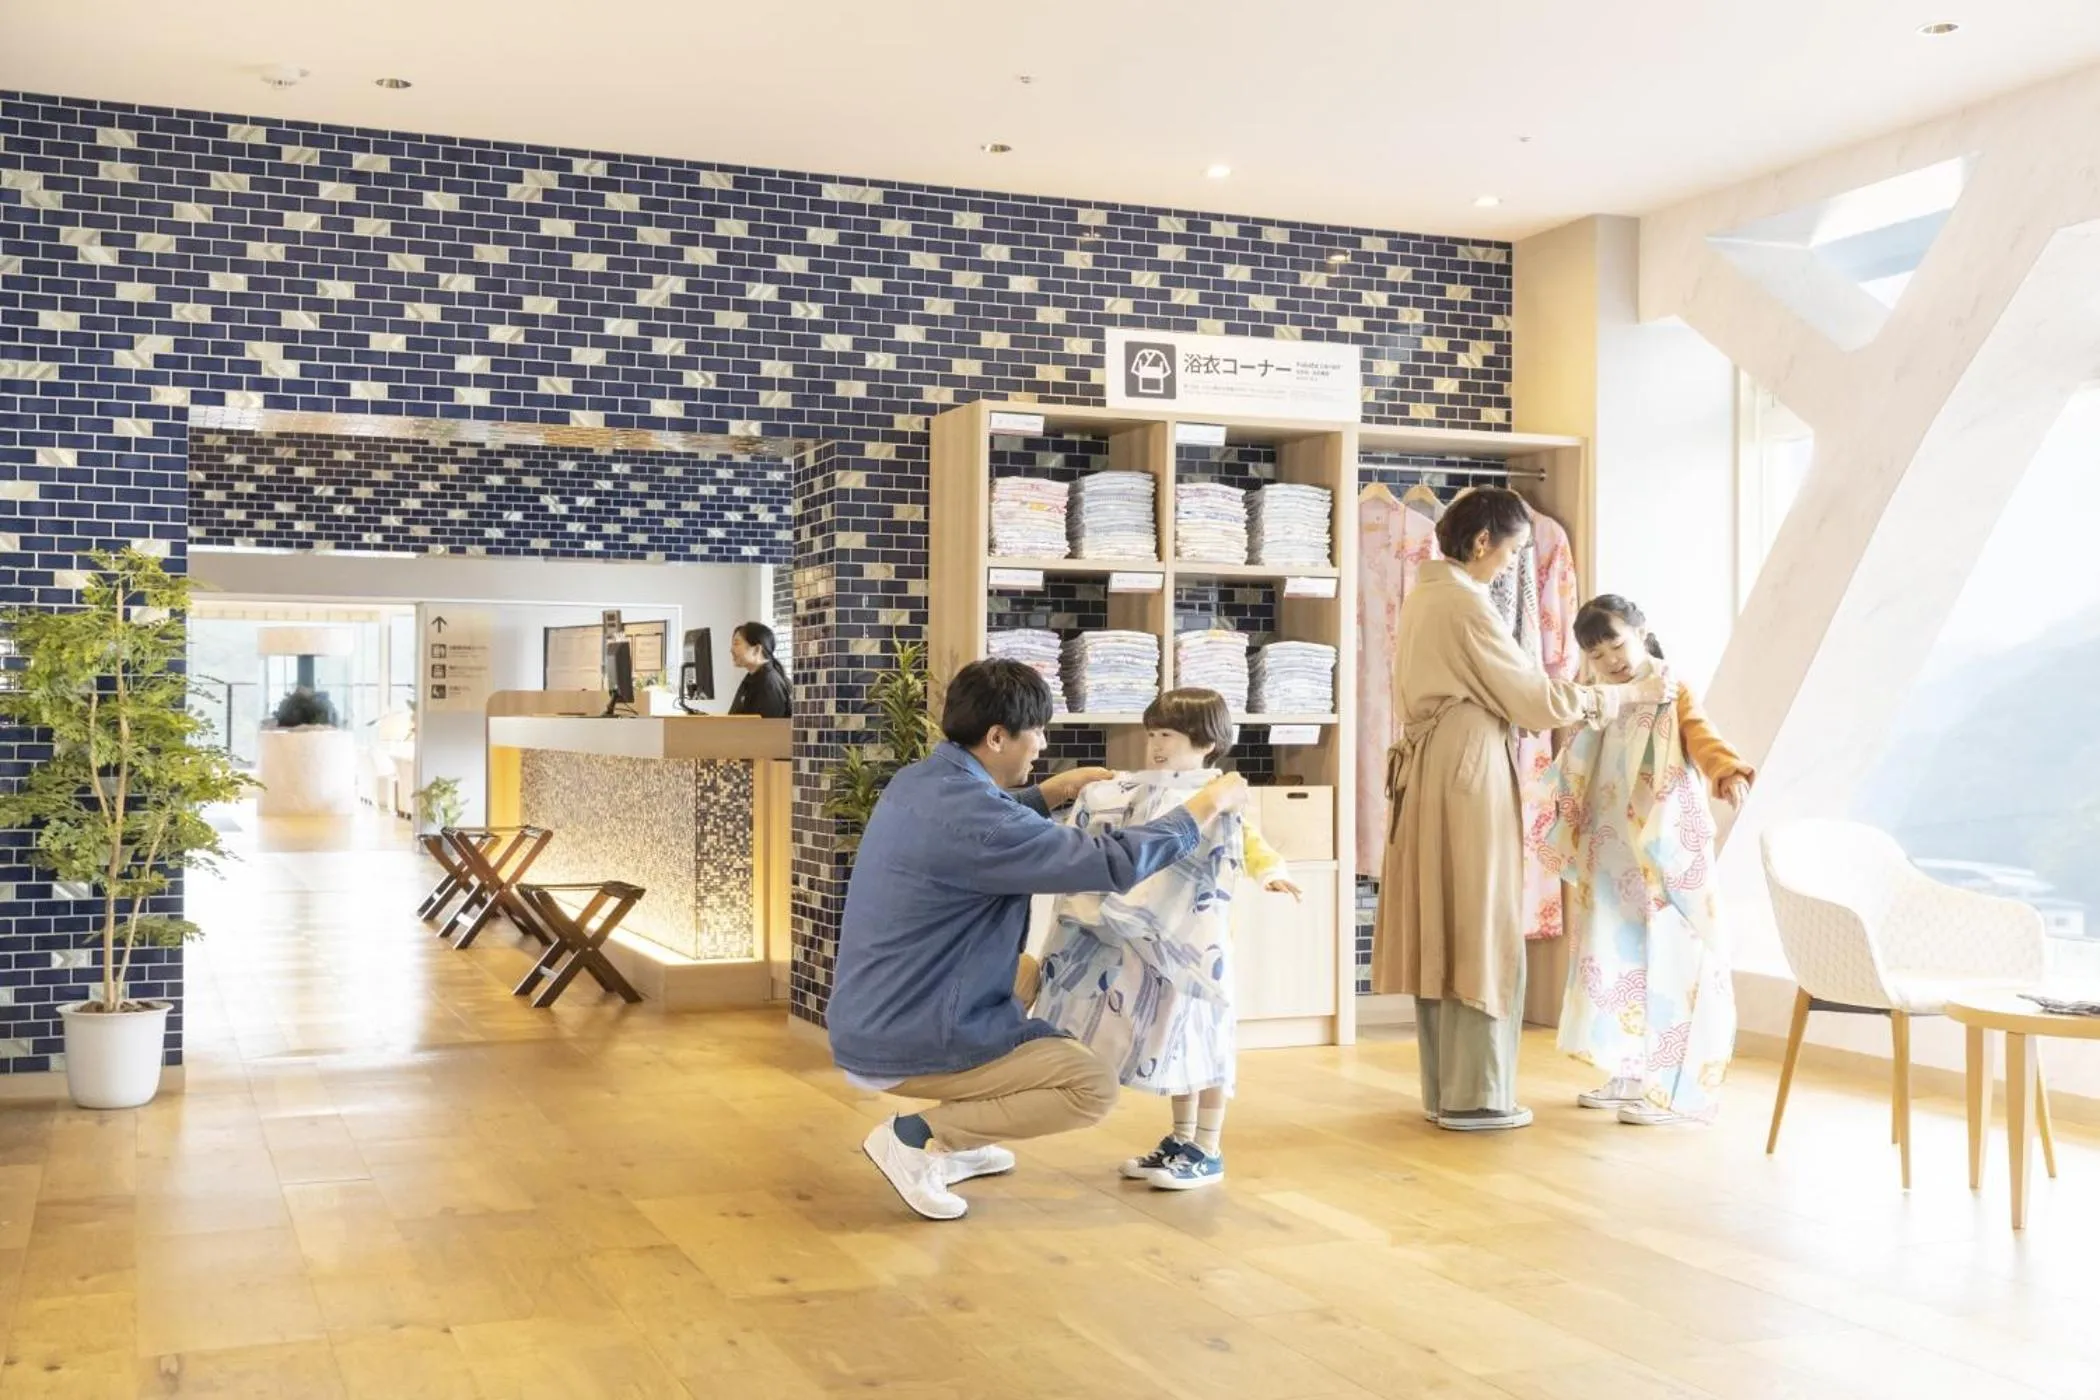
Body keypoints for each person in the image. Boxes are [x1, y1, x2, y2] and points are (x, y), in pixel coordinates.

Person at [828, 659, 1249, 1221]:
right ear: (998, 737)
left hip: (879, 1007)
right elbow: (1112, 861)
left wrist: (1052, 791)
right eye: (1037, 733)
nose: (1042, 744)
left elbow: (984, 826)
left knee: (1042, 975)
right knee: (1091, 1087)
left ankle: (964, 1139)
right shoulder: (984, 821)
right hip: (907, 1033)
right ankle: (917, 1138)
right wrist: (1204, 807)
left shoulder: (921, 782)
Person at [1370, 488, 1673, 1132]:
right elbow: (1532, 700)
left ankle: (1448, 1087)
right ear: (1484, 543)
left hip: (1432, 766)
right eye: (1509, 552)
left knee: (1448, 915)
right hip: (1467, 765)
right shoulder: (1465, 603)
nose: (1510, 566)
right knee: (1483, 916)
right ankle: (1478, 1095)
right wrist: (1606, 700)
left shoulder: (1427, 594)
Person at [1031, 688, 1301, 1192]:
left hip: (1201, 951)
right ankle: (1182, 1140)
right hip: (1158, 944)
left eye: (1168, 735)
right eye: (1152, 733)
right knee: (1176, 1045)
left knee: (1207, 1044)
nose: (1155, 745)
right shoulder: (1147, 790)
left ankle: (1210, 1147)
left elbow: (1251, 845)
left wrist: (1272, 874)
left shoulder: (1222, 794)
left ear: (1205, 742)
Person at [1547, 595, 1750, 1125]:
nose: (1611, 659)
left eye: (1617, 642)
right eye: (1597, 652)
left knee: (1677, 958)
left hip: (1664, 849)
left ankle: (1675, 1090)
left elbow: (1700, 733)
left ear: (1642, 631)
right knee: (1621, 961)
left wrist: (1726, 772)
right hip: (1613, 849)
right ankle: (1629, 1070)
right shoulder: (1600, 696)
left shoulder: (1667, 686)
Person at [726, 621, 791, 718]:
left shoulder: (768, 685)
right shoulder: (753, 678)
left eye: (736, 643)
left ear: (757, 649)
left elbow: (764, 730)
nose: (731, 650)